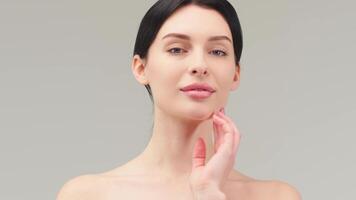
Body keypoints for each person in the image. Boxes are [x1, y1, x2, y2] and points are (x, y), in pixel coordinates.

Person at [56, 0, 302, 199]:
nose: (199, 65)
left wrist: (208, 195)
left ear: (235, 74)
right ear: (141, 68)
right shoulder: (87, 194)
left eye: (217, 51)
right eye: (177, 49)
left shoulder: (276, 196)